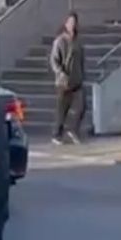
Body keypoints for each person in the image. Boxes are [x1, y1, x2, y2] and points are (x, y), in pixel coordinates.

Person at [49, 11, 86, 145]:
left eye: (75, 22)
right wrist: (60, 73)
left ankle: (73, 130)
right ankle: (56, 134)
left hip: (77, 80)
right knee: (62, 111)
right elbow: (54, 60)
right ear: (66, 23)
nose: (73, 25)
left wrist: (82, 74)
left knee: (82, 106)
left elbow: (81, 59)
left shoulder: (78, 41)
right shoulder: (60, 41)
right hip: (64, 82)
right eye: (70, 22)